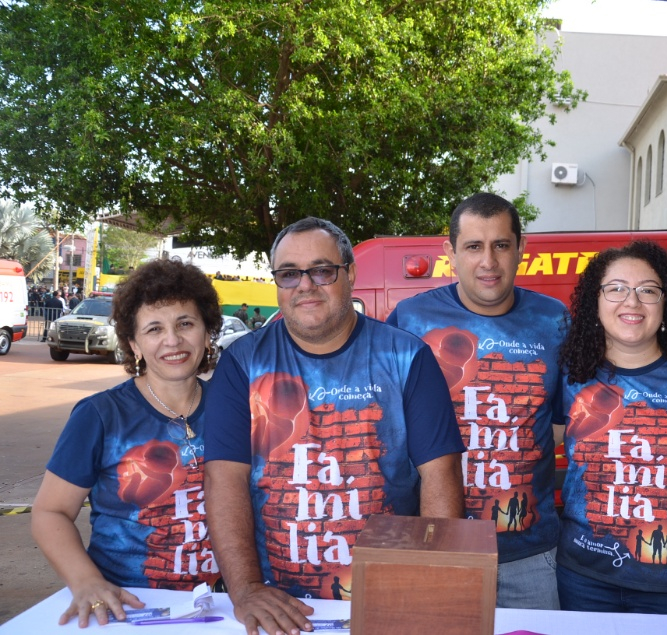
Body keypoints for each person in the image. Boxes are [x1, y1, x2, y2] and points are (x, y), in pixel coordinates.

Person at [204, 217, 465, 635]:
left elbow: (440, 476)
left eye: (322, 270)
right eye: (289, 274)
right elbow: (224, 482)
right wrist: (247, 588)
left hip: (388, 597)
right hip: (277, 603)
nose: (305, 285)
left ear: (351, 274)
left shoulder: (406, 356)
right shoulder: (241, 363)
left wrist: (429, 582)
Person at [386, 192, 566, 609]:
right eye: (473, 246)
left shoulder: (555, 320)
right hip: (437, 547)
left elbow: (561, 420)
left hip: (532, 555)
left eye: (501, 245)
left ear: (521, 248)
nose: (488, 261)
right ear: (450, 252)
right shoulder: (410, 319)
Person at [31, 259, 223, 628]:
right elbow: (49, 513)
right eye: (154, 328)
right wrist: (86, 582)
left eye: (186, 323)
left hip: (220, 606)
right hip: (128, 605)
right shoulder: (100, 416)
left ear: (207, 332)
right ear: (134, 343)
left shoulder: (234, 409)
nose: (173, 340)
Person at [555, 240, 667, 615]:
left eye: (648, 290)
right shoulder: (569, 375)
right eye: (616, 289)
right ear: (595, 303)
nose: (632, 302)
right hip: (584, 576)